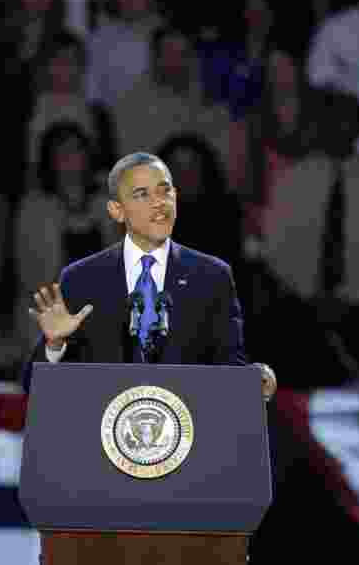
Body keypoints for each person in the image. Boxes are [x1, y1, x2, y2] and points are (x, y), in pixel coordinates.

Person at [21, 151, 274, 399]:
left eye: (165, 191)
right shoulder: (82, 278)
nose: (158, 203)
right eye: (142, 194)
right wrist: (54, 345)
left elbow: (230, 369)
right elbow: (33, 387)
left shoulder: (211, 276)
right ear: (117, 210)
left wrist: (253, 379)